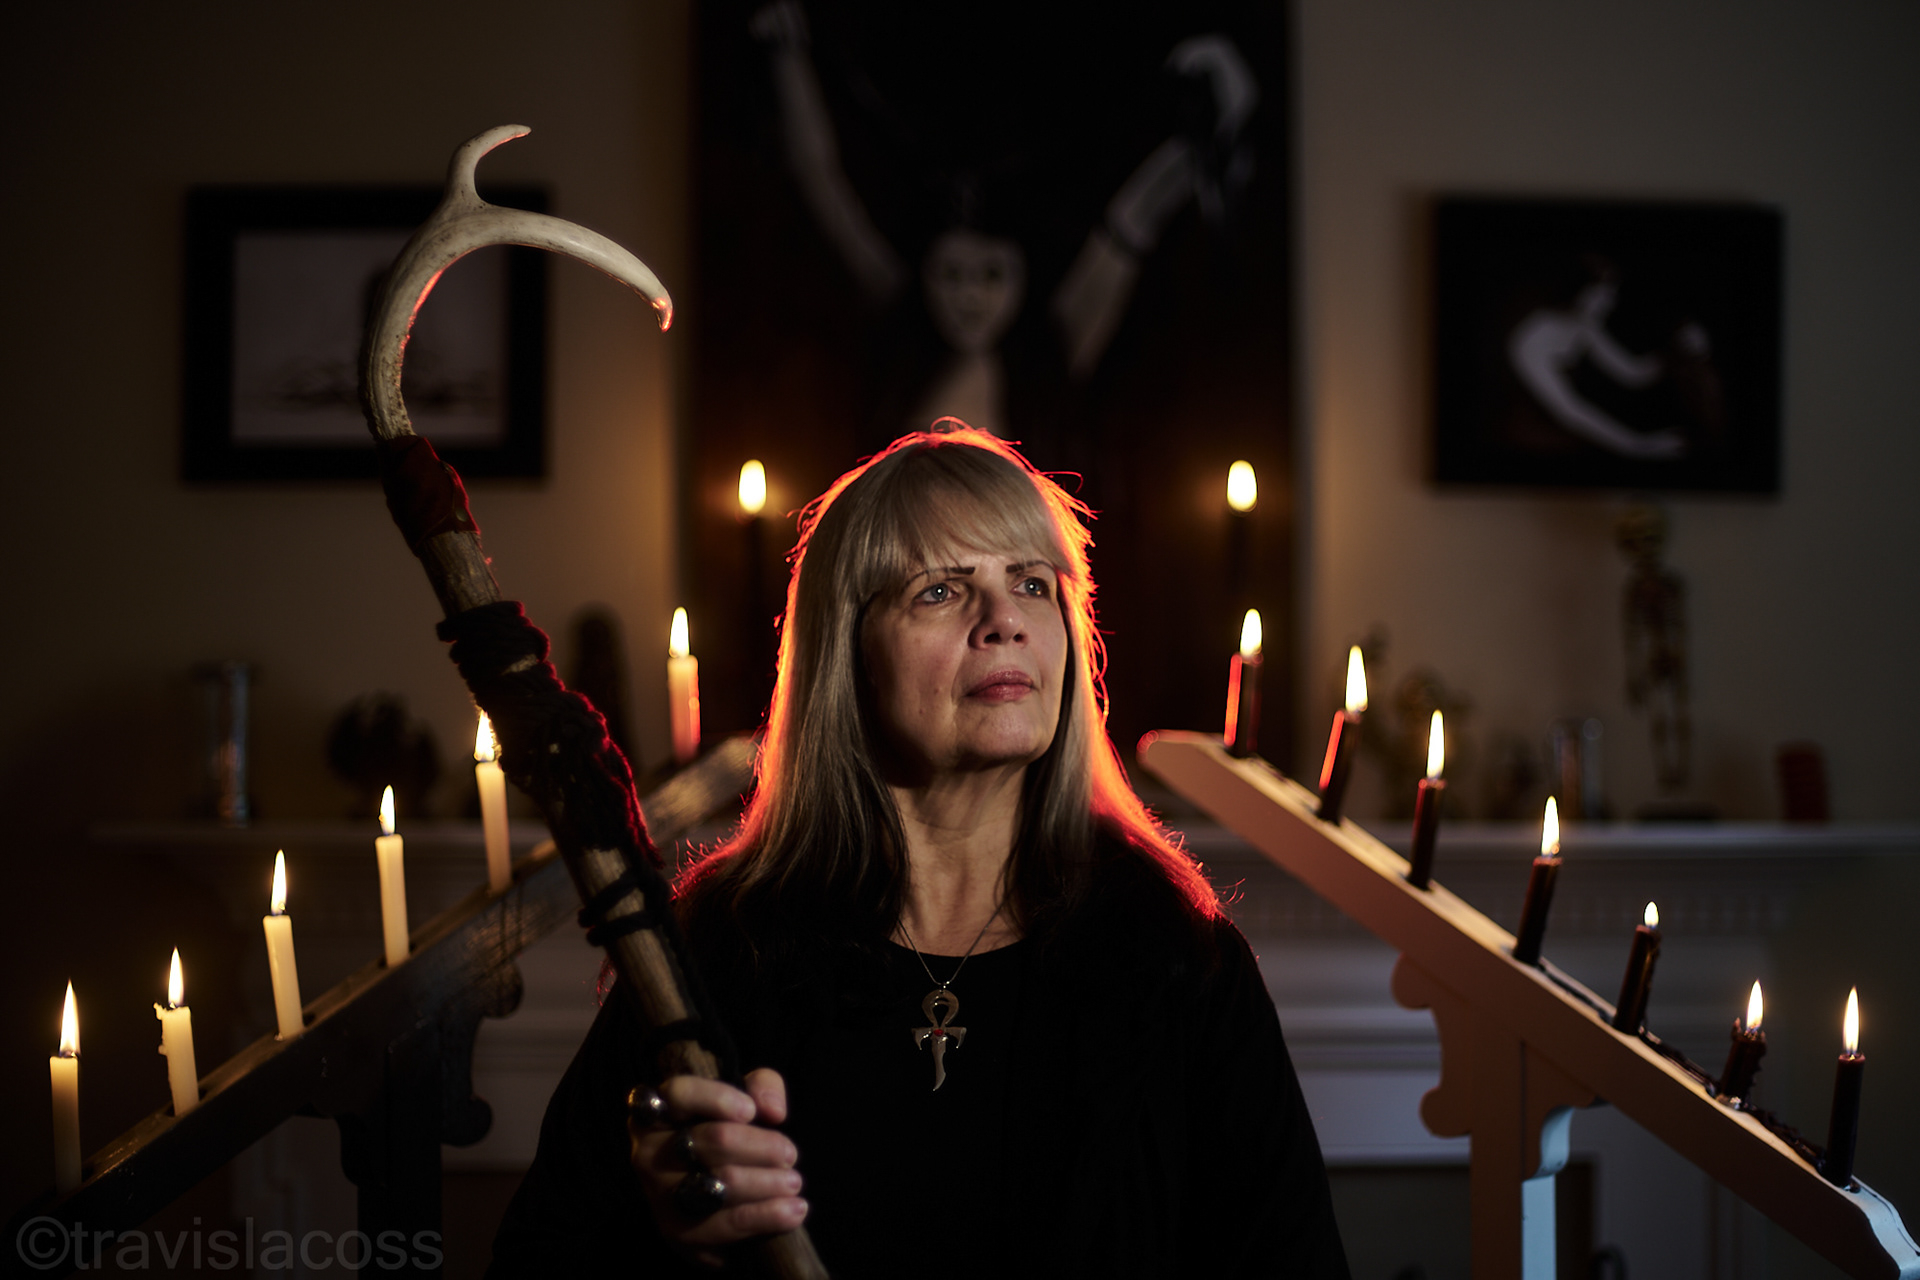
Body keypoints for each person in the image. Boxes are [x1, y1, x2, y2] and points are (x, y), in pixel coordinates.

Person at [487, 424, 1347, 1277]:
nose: (1004, 621)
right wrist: (668, 1236)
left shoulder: (1179, 958)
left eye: (1033, 584)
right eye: (939, 590)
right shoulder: (716, 950)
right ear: (847, 654)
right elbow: (540, 1260)